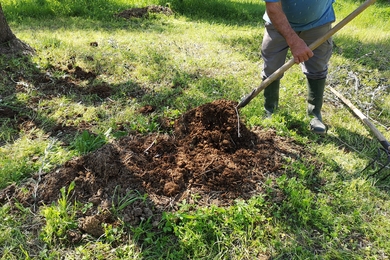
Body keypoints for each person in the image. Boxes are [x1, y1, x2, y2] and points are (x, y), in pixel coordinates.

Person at [261, 0, 335, 134]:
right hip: (277, 22)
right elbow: (273, 7)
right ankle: (270, 110)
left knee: (317, 68)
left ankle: (315, 114)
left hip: (319, 22)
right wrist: (294, 42)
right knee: (272, 67)